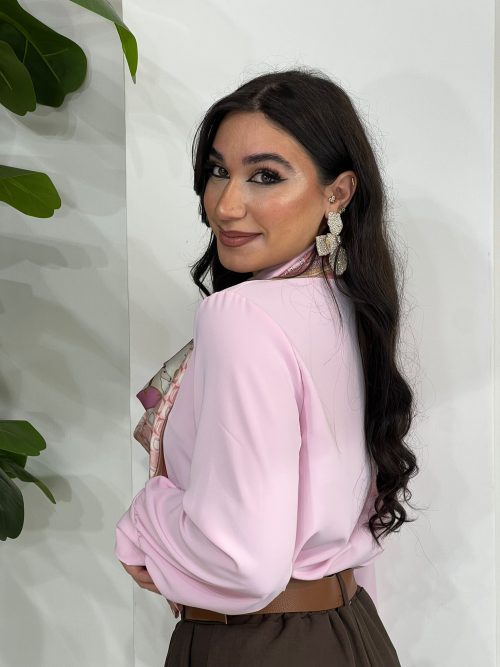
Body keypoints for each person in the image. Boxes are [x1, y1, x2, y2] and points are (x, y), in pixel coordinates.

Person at [114, 68, 418, 666]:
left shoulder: (243, 316)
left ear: (337, 193)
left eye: (265, 176)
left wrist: (146, 515)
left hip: (255, 644)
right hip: (351, 630)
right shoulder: (349, 306)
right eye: (218, 171)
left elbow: (242, 562)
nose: (226, 205)